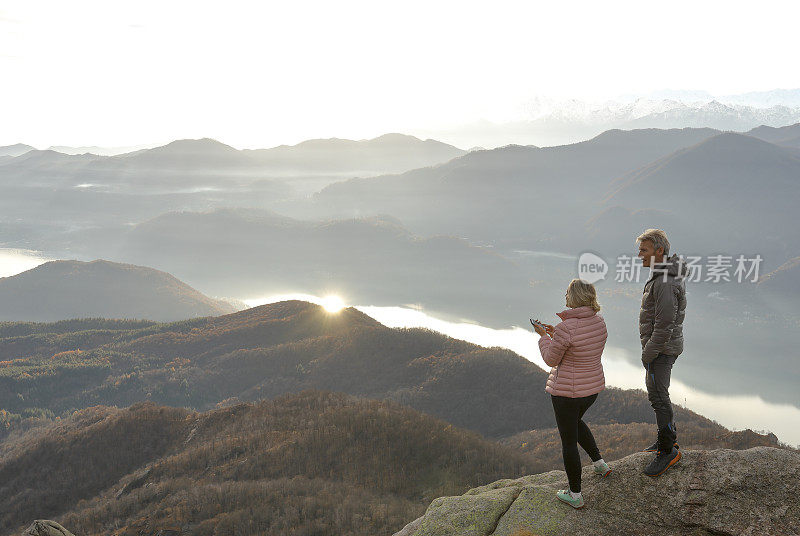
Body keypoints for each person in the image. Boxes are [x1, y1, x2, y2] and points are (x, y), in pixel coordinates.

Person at [533, 278, 611, 509]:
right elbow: (581, 342)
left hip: (567, 393)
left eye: (567, 292)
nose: (565, 296)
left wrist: (543, 336)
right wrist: (555, 333)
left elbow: (551, 359)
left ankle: (575, 494)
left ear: (574, 297)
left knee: (568, 441)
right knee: (576, 423)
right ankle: (599, 463)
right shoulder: (599, 322)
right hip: (591, 389)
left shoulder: (567, 328)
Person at [636, 228, 688, 477]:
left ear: (659, 251)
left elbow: (664, 324)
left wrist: (649, 352)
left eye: (644, 250)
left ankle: (668, 451)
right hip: (662, 348)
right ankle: (667, 440)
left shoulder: (665, 281)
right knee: (658, 395)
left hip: (661, 350)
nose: (639, 255)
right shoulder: (662, 276)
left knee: (658, 396)